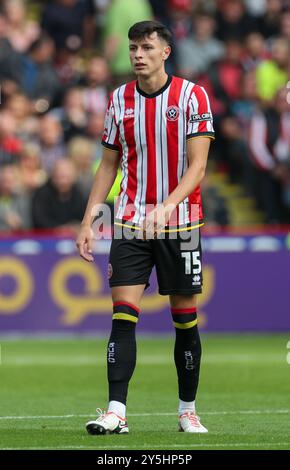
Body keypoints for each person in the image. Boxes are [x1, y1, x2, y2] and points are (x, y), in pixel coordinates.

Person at [76, 20, 215, 435]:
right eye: (134, 47)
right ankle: (116, 411)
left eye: (147, 47)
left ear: (165, 52)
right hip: (132, 222)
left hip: (181, 224)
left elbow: (199, 166)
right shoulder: (118, 99)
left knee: (184, 320)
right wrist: (89, 219)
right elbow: (107, 165)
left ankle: (187, 410)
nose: (138, 54)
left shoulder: (192, 97)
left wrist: (169, 205)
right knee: (123, 316)